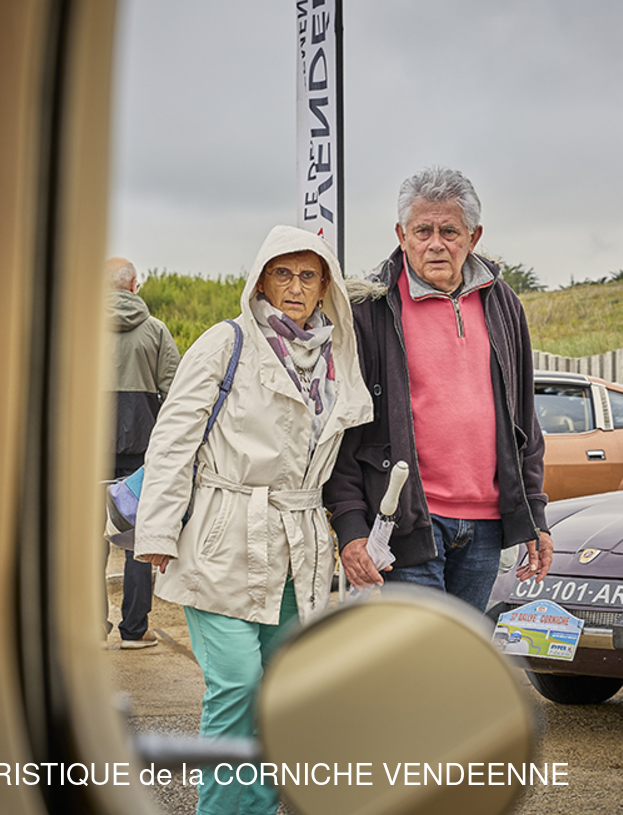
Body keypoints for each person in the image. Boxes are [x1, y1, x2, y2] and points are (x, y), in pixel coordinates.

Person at [134, 226, 371, 815]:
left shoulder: (337, 356)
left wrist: (355, 532)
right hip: (224, 533)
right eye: (282, 273)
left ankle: (259, 809)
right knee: (237, 683)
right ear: (261, 279)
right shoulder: (226, 342)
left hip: (298, 544)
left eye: (308, 275)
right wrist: (159, 530)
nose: (295, 286)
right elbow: (173, 440)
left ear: (325, 286)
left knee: (279, 691)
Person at [324, 165, 553, 609]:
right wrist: (350, 526)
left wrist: (534, 514)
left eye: (449, 231)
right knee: (418, 647)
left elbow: (524, 419)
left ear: (473, 236)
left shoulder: (503, 303)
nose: (435, 243)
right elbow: (344, 428)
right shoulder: (369, 309)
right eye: (422, 231)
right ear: (401, 235)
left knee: (460, 649)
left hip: (486, 527)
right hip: (405, 522)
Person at [106, 256, 180, 649]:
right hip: (141, 453)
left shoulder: (78, 330)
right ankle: (134, 630)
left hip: (88, 452)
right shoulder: (156, 331)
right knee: (137, 538)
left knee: (89, 538)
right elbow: (177, 395)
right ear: (135, 285)